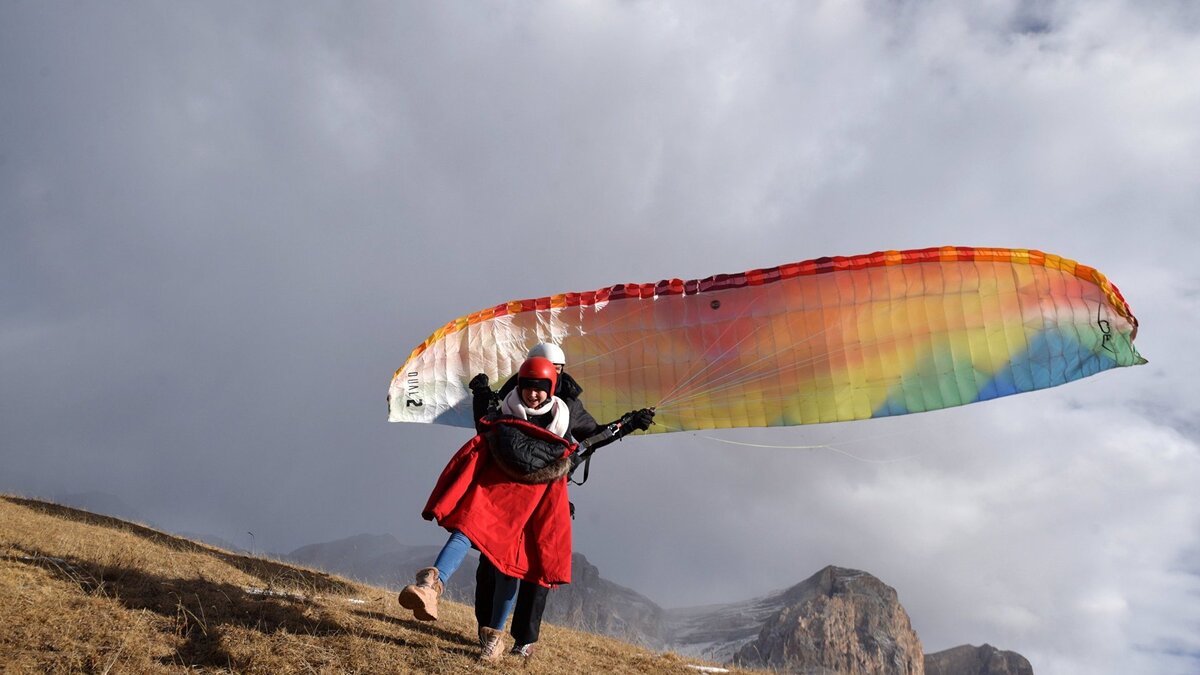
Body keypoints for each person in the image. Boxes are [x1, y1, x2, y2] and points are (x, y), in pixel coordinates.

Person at [468, 343, 655, 658]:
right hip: (507, 495)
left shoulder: (568, 407)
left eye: (553, 369)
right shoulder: (512, 396)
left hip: (546, 495)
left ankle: (523, 640)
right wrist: (481, 395)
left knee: (536, 565)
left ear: (561, 370)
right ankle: (488, 630)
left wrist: (628, 423)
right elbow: (489, 427)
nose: (545, 377)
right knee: (491, 561)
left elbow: (592, 437)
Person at [398, 356, 580, 661]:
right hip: (494, 493)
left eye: (539, 388)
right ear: (519, 386)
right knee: (464, 532)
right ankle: (432, 585)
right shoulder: (502, 414)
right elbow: (477, 446)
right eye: (527, 387)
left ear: (551, 389)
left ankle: (492, 638)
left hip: (526, 508)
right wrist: (481, 393)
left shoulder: (561, 419)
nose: (532, 394)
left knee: (509, 569)